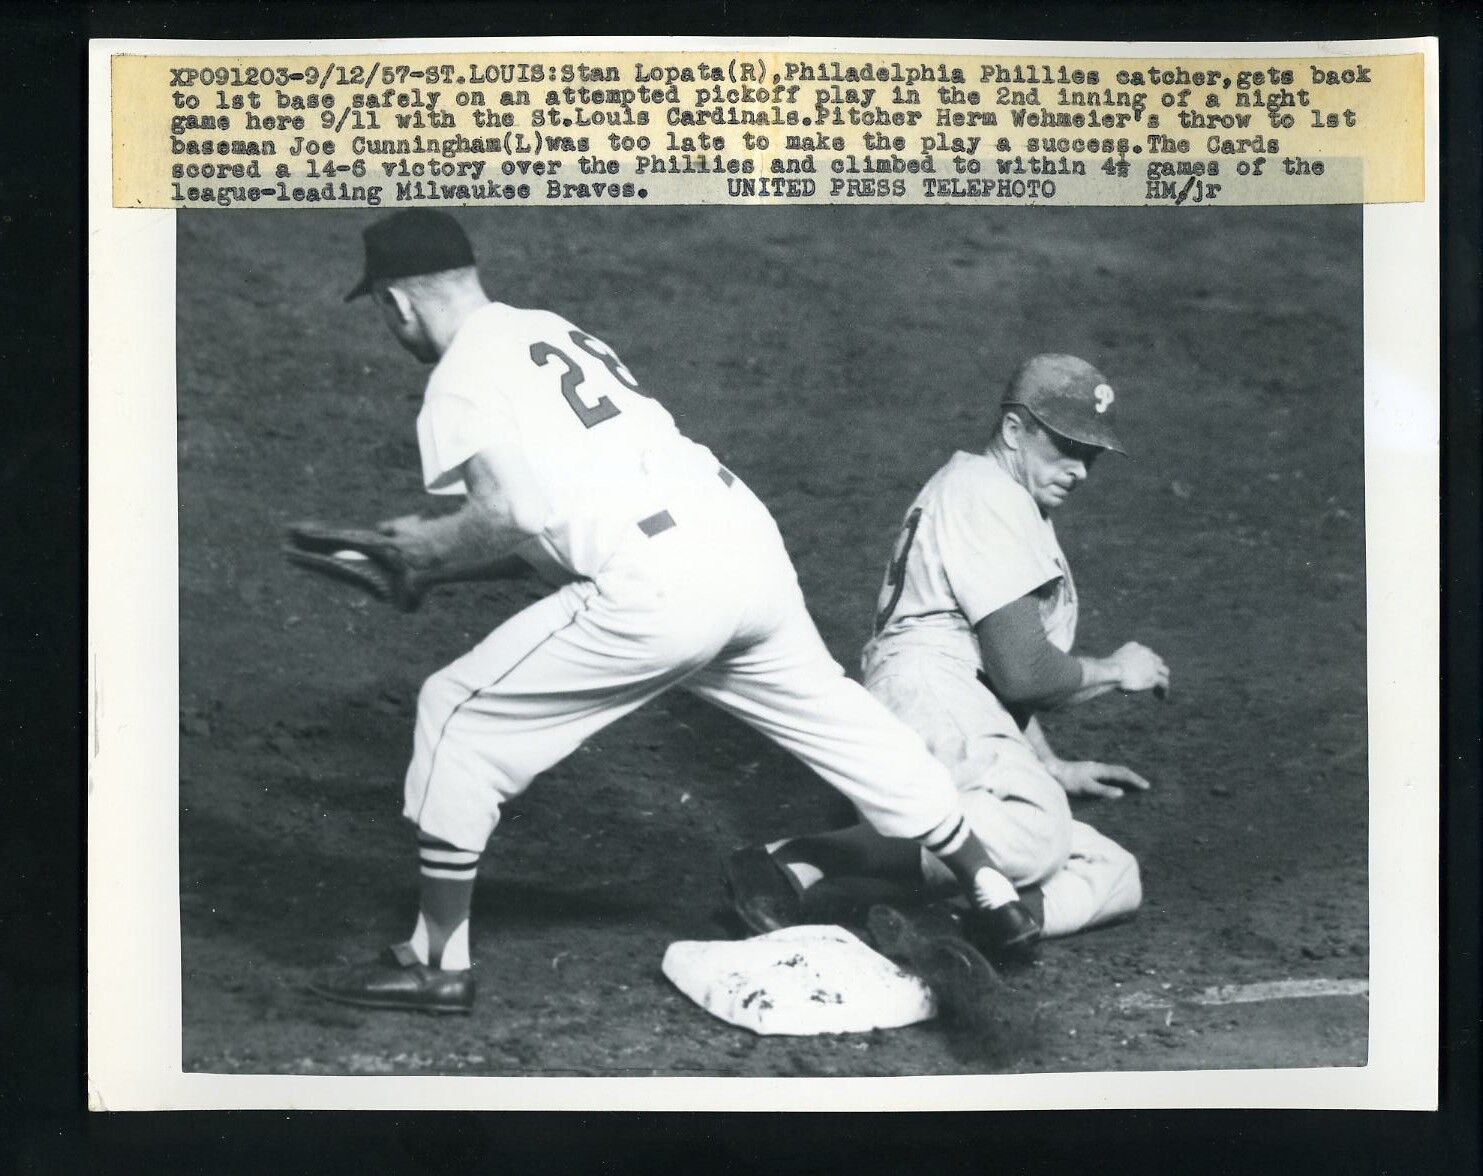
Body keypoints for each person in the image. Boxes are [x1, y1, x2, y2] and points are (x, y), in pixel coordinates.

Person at [307, 210, 1037, 1014]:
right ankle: (990, 885)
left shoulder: (457, 379)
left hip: (659, 583)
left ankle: (435, 962)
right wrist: (434, 572)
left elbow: (508, 513)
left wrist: (421, 553)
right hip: (742, 546)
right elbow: (555, 528)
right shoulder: (544, 330)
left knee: (456, 712)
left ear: (395, 304)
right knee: (839, 719)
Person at [724, 354, 1170, 952]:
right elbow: (1023, 674)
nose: (1080, 468)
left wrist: (1051, 766)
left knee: (1113, 873)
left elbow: (994, 678)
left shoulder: (999, 500)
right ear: (1015, 431)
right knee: (1035, 833)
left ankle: (956, 932)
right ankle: (794, 862)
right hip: (928, 693)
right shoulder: (988, 494)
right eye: (1065, 444)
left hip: (952, 700)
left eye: (1090, 453)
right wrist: (1118, 671)